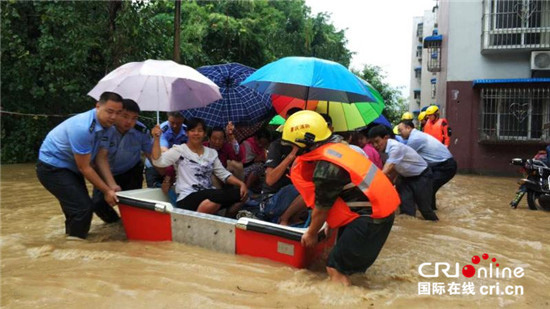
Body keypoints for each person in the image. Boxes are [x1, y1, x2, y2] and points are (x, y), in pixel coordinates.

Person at [283, 111, 400, 286]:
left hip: (370, 218)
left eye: (292, 146)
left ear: (306, 143)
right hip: (377, 213)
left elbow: (322, 208)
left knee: (334, 268)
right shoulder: (339, 148)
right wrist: (331, 224)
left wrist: (311, 233)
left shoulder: (326, 168)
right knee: (351, 270)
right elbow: (342, 193)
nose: (291, 150)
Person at [36, 92, 123, 240]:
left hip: (71, 168)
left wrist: (112, 184)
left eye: (118, 113)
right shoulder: (82, 127)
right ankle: (75, 246)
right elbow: (85, 168)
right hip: (52, 167)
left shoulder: (109, 128)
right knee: (83, 208)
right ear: (97, 107)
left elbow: (101, 159)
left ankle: (70, 241)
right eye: (110, 111)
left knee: (76, 209)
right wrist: (107, 191)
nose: (114, 117)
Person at [151, 118, 247, 216]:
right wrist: (156, 139)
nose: (196, 133)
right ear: (187, 133)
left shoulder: (211, 153)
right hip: (187, 198)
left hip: (210, 196)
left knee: (238, 194)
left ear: (205, 134)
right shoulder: (179, 150)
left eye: (200, 130)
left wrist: (241, 184)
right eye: (192, 130)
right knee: (214, 194)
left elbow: (223, 174)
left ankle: (197, 219)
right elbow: (158, 161)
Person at [92, 99, 154, 223]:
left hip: (131, 170)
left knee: (131, 204)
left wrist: (164, 174)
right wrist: (110, 185)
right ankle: (116, 224)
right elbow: (100, 158)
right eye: (125, 116)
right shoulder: (105, 129)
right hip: (106, 171)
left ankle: (130, 226)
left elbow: (150, 155)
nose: (129, 122)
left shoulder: (141, 131)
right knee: (98, 204)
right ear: (117, 114)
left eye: (134, 118)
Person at [368, 124, 438, 221]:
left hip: (422, 176)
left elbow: (388, 168)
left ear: (386, 138)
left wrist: (370, 184)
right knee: (406, 211)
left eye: (377, 141)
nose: (375, 145)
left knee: (425, 209)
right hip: (404, 177)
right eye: (372, 143)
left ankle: (435, 226)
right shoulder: (381, 150)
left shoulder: (395, 147)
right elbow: (393, 170)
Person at [398, 120, 457, 210]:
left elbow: (403, 159)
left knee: (428, 188)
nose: (400, 133)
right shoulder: (416, 135)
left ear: (408, 128)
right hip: (439, 165)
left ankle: (430, 216)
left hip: (445, 166)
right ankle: (432, 211)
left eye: (400, 130)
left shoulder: (415, 139)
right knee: (428, 187)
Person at [145, 112, 187, 188]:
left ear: (183, 120)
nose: (175, 126)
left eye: (178, 123)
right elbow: (163, 150)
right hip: (155, 166)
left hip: (174, 167)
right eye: (172, 122)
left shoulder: (187, 130)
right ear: (168, 118)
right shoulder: (161, 130)